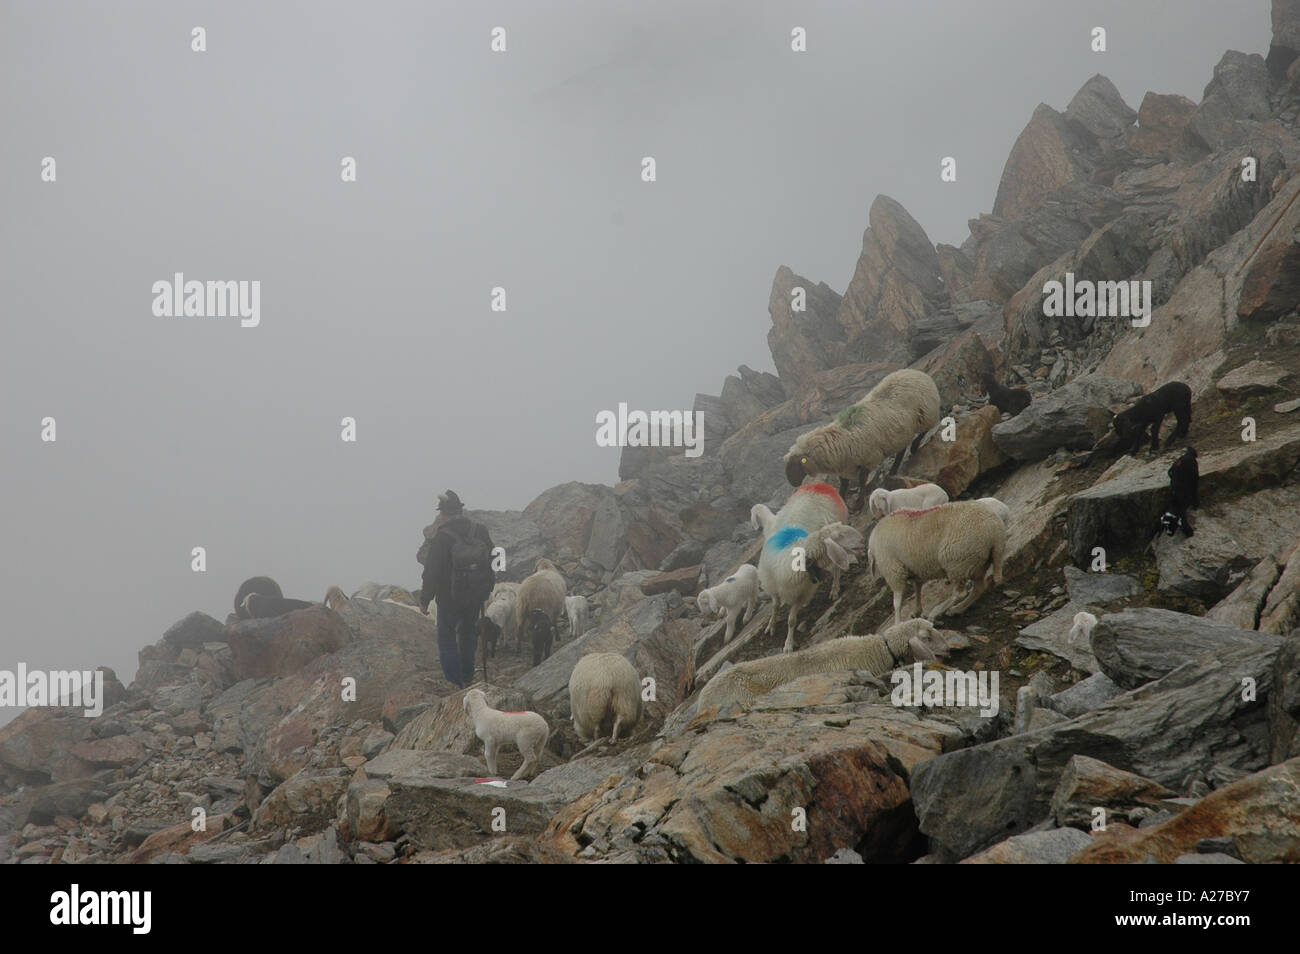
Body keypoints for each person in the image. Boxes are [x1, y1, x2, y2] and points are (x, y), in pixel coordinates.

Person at [418, 490, 496, 687]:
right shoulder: (479, 530)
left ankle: (455, 682)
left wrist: (424, 599)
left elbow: (431, 572)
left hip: (448, 597)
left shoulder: (442, 537)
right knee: (468, 633)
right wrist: (488, 583)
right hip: (475, 594)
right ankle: (468, 675)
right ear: (461, 510)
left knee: (446, 638)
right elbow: (494, 556)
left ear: (443, 514)